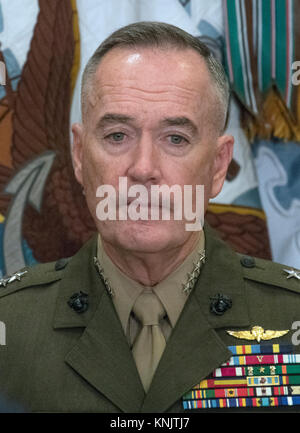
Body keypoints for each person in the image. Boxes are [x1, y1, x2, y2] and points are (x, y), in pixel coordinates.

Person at [1, 21, 300, 414]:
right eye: (117, 136)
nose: (143, 168)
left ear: (217, 165)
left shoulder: (290, 318)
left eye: (175, 138)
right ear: (78, 154)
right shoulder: (11, 325)